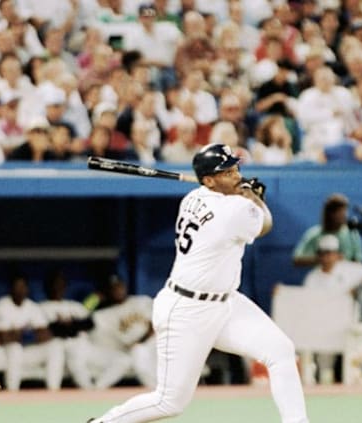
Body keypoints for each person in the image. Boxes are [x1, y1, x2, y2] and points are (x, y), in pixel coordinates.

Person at [88, 144, 309, 423]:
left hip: (226, 303)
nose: (235, 175)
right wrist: (255, 198)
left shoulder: (194, 197)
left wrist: (242, 194)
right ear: (208, 180)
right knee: (170, 402)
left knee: (280, 351)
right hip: (187, 310)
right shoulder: (232, 211)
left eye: (234, 168)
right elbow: (265, 223)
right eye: (226, 172)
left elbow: (236, 204)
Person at [39, 271, 133, 390]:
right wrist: (74, 325)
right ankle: (86, 391)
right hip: (64, 348)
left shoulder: (73, 305)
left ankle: (98, 388)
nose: (58, 287)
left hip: (84, 345)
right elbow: (57, 330)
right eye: (55, 284)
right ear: (48, 287)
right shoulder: (42, 307)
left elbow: (89, 322)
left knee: (123, 360)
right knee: (75, 361)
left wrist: (95, 298)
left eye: (61, 284)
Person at [301, 234, 362, 384]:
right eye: (323, 253)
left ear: (337, 254)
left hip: (348, 325)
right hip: (323, 327)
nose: (327, 257)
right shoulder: (312, 277)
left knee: (356, 356)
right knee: (324, 365)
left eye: (330, 253)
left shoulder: (349, 269)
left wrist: (357, 288)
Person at [0, 273, 64, 391]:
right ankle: (12, 392)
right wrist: (31, 332)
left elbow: (46, 334)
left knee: (55, 346)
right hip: (8, 351)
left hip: (29, 350)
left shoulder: (32, 306)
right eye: (17, 286)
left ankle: (53, 391)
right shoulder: (2, 305)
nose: (20, 290)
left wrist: (22, 334)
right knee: (15, 348)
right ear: (11, 289)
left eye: (23, 286)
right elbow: (4, 337)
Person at [293, 193, 362, 266]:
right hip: (322, 276)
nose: (344, 215)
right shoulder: (314, 234)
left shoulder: (352, 233)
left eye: (345, 211)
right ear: (329, 214)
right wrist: (324, 259)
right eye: (339, 212)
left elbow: (358, 261)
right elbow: (296, 259)